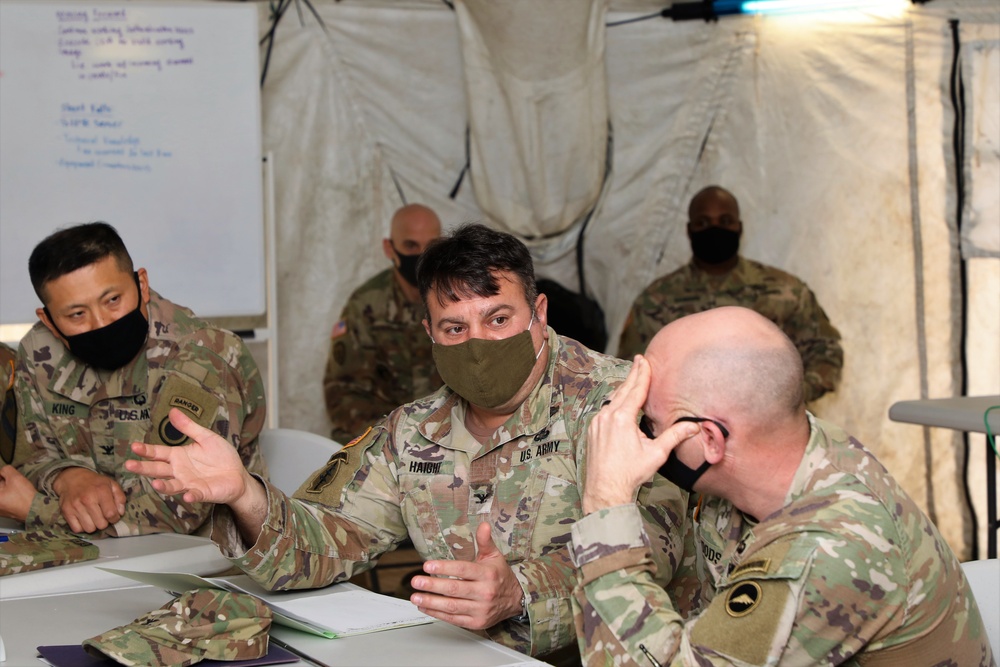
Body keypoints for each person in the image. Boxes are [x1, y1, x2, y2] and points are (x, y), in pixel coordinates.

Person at [126, 223, 687, 658]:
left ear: (539, 314)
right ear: (429, 333)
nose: (478, 343)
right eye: (455, 328)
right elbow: (327, 541)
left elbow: (658, 546)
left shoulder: (619, 402)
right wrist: (243, 493)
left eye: (498, 320)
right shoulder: (413, 431)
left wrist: (520, 591)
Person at [572, 307, 994, 666]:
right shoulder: (787, 450)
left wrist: (605, 502)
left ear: (711, 440)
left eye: (652, 422)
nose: (639, 435)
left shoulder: (826, 549)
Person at [0, 222, 267, 537]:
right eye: (76, 315)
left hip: (203, 564)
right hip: (90, 559)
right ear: (49, 319)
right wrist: (68, 477)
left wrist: (37, 509)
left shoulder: (202, 354)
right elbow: (31, 459)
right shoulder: (41, 350)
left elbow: (177, 508)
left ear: (141, 283)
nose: (101, 322)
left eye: (113, 299)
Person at [618, 186, 843, 403]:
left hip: (777, 430)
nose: (714, 229)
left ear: (739, 227)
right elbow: (634, 369)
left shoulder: (786, 291)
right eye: (703, 222)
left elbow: (826, 352)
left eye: (725, 221)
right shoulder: (657, 300)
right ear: (689, 230)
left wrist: (789, 399)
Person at [323, 203, 443, 443]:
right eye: (411, 245)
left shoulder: (460, 300)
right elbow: (344, 391)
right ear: (390, 248)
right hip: (382, 435)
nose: (421, 255)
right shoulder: (366, 305)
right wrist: (393, 436)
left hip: (448, 431)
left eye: (430, 247)